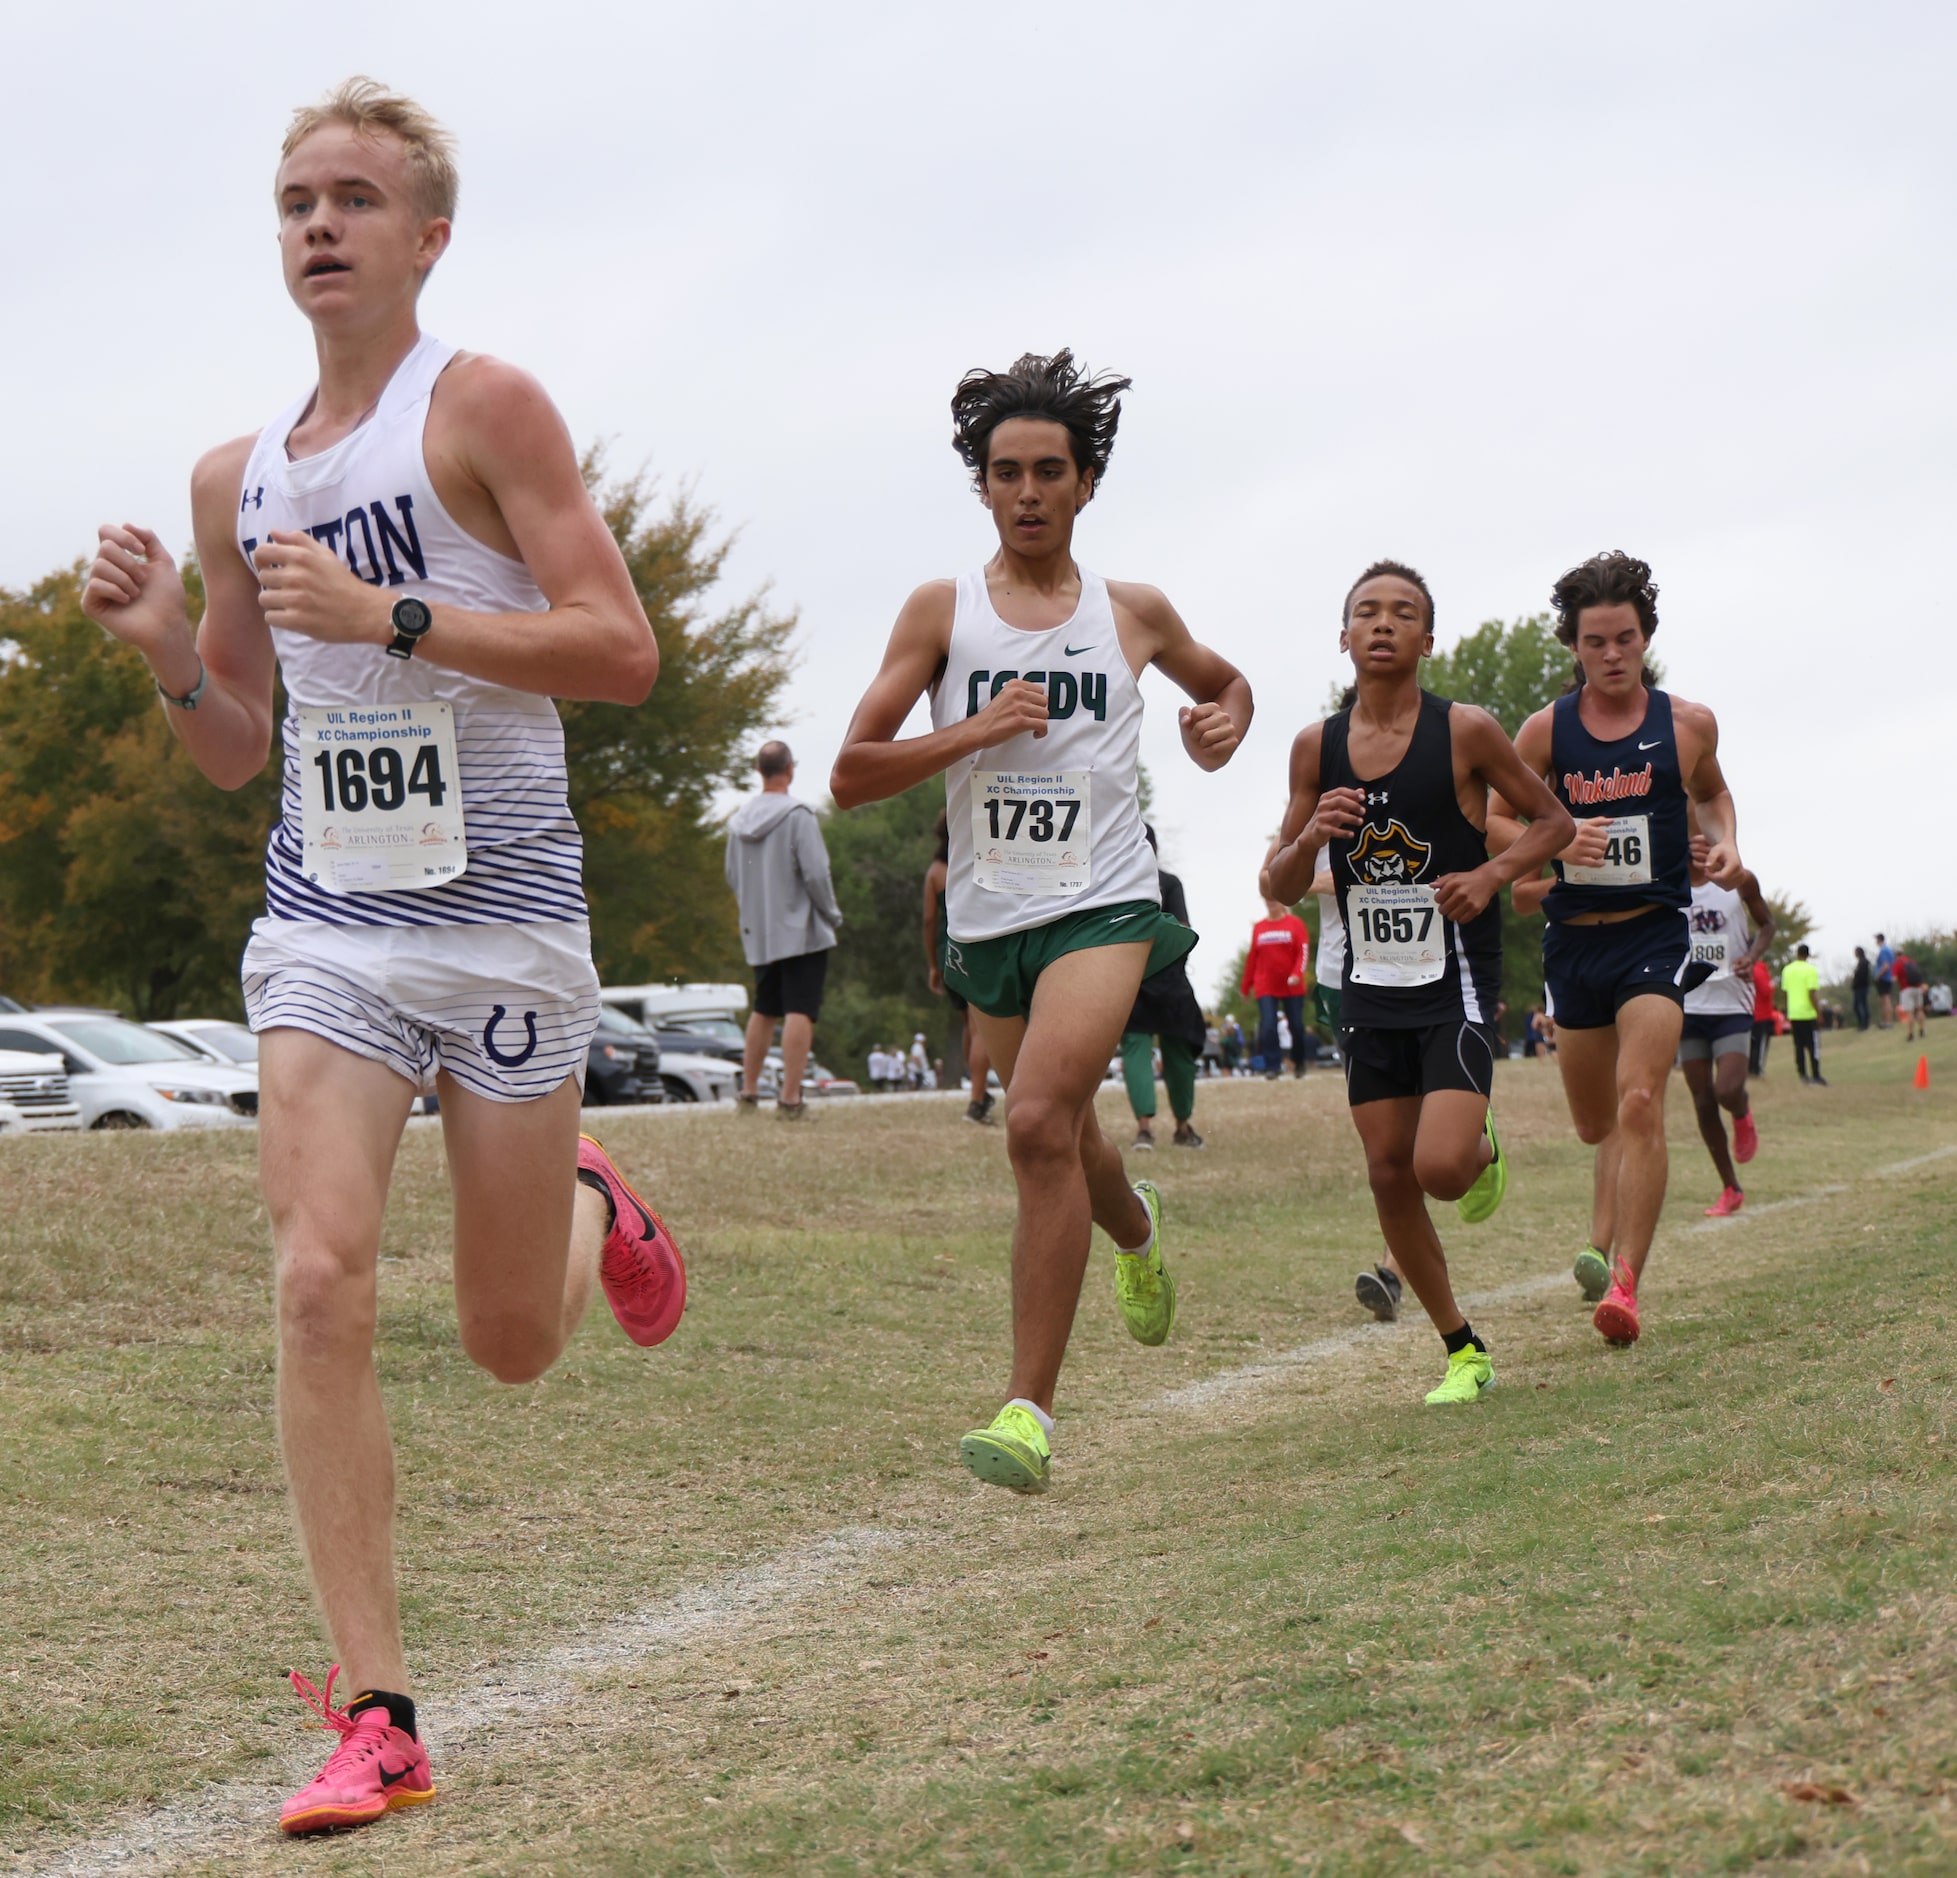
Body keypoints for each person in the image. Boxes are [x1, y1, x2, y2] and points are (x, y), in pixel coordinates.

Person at [79, 81, 685, 1837]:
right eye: (294, 201)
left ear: (427, 236)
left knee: (506, 1344)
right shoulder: (235, 479)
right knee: (317, 1279)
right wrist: (160, 654)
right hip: (331, 928)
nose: (319, 224)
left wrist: (399, 613)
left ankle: (588, 1201)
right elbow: (233, 741)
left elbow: (621, 650)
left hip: (502, 920)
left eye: (355, 197)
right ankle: (380, 1713)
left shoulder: (482, 406)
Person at [830, 349, 1251, 1492]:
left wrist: (1218, 729)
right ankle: (1137, 1231)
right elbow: (852, 774)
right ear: (981, 486)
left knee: (1031, 1124)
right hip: (991, 915)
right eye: (1005, 472)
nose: (1026, 491)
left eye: (1048, 472)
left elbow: (1226, 687)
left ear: (1085, 483)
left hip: (1105, 900)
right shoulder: (940, 612)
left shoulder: (1132, 613)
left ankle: (1027, 1411)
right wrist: (969, 730)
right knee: (1062, 1136)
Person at [1268, 561, 1572, 1398]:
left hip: (1455, 979)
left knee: (1439, 1168)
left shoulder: (1465, 730)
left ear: (1426, 640)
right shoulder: (1315, 747)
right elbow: (1278, 883)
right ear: (1342, 636)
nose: (1382, 624)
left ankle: (1478, 1143)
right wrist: (1307, 839)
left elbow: (1552, 822)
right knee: (1387, 1173)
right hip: (1368, 986)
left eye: (1402, 614)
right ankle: (1462, 1349)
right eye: (1365, 613)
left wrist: (1489, 876)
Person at [1489, 550, 1741, 1348]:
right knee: (1594, 1123)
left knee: (1641, 1101)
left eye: (1624, 639)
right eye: (1595, 641)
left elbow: (1711, 796)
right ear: (1572, 644)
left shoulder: (1687, 724)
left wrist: (1725, 844)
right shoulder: (1544, 732)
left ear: (1644, 636)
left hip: (1654, 935)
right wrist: (1558, 844)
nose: (1611, 655)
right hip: (1572, 946)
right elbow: (1492, 821)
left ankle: (1627, 1281)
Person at [725, 741, 842, 1118]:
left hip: (759, 931)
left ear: (760, 770)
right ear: (790, 768)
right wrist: (831, 913)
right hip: (801, 929)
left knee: (763, 1008)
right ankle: (790, 1099)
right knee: (799, 1009)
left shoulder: (738, 823)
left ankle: (749, 1091)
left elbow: (732, 875)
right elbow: (816, 874)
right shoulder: (798, 815)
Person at [1678, 828, 1775, 1216]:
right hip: (1688, 1006)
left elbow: (1767, 925)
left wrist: (1752, 956)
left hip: (1732, 1002)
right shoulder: (1667, 886)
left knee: (1727, 1089)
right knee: (1702, 1101)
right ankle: (1730, 1187)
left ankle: (1741, 1111)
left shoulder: (1739, 881)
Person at [1123, 826, 1208, 1150]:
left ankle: (1147, 1129)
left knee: (1137, 1051)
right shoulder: (1169, 883)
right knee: (1177, 1052)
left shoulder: (1118, 886)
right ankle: (1182, 1127)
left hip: (1133, 979)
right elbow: (1183, 932)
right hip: (1168, 980)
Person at [926, 810, 996, 1122]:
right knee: (980, 1027)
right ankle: (976, 1100)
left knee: (969, 1024)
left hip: (947, 951)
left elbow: (929, 921)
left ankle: (977, 1090)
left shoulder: (936, 872)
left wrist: (933, 964)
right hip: (978, 947)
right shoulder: (978, 863)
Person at [1241, 894, 1310, 1078]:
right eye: (1267, 898)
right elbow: (1252, 958)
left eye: (1274, 897)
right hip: (1266, 984)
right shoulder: (1259, 927)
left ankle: (1299, 1062)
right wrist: (1246, 985)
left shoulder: (1295, 924)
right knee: (1269, 1025)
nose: (1271, 901)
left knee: (1296, 1025)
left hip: (1291, 985)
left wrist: (1297, 973)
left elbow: (1303, 951)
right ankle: (1272, 1066)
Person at [1782, 944, 1826, 1083]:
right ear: (1807, 955)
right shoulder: (1810, 970)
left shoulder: (1787, 970)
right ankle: (1816, 1074)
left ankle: (1802, 1074)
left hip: (1794, 1013)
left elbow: (1785, 992)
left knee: (1799, 1045)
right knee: (1813, 1045)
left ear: (1797, 954)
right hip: (1808, 1013)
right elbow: (1811, 993)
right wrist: (1819, 1013)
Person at [1749, 957, 1776, 1076]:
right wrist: (1772, 985)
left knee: (1752, 1044)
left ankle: (1751, 1069)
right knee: (1760, 1044)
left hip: (1750, 1012)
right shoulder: (1758, 969)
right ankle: (1757, 1069)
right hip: (1761, 1014)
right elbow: (1766, 990)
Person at [1896, 950, 1928, 1043]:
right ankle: (1922, 1031)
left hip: (1906, 989)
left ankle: (1911, 1034)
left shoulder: (1898, 964)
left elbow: (1895, 978)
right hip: (1917, 988)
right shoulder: (1912, 961)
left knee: (1909, 1013)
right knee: (1919, 1010)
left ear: (1897, 956)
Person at [1875, 933, 1897, 1029]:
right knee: (1885, 999)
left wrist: (1878, 976)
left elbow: (1885, 965)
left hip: (1884, 978)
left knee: (1885, 1000)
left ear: (1879, 940)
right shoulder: (1889, 950)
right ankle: (1886, 1021)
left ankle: (1888, 1022)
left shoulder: (1883, 950)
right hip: (1888, 977)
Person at [1851, 946, 1872, 1032]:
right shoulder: (1860, 963)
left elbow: (1862, 976)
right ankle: (1861, 1023)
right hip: (1858, 988)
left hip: (1861, 987)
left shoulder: (1863, 963)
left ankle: (1864, 1024)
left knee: (1862, 1005)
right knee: (1857, 1006)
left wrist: (1856, 982)